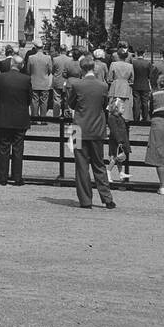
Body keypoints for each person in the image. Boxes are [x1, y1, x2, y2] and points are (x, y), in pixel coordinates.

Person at [64, 56, 116, 210]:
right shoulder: (103, 86)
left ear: (81, 68)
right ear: (94, 68)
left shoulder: (77, 85)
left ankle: (85, 200)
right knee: (99, 164)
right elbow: (104, 105)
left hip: (77, 129)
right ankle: (107, 199)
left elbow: (71, 103)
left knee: (81, 166)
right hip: (97, 128)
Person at [0, 55, 31, 186]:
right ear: (21, 66)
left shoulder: (0, 77)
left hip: (4, 116)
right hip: (20, 117)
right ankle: (17, 177)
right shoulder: (26, 79)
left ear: (11, 64)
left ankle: (2, 176)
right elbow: (29, 99)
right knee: (18, 148)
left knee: (3, 148)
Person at [27, 43, 54, 121]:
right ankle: (43, 119)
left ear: (35, 48)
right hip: (44, 81)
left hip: (34, 81)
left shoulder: (31, 58)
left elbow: (28, 71)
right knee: (44, 101)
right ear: (43, 48)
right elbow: (50, 70)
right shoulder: (48, 58)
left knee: (34, 101)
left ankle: (34, 118)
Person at [107, 49, 134, 124]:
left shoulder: (113, 64)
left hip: (115, 86)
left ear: (118, 56)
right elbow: (132, 79)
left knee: (113, 106)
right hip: (125, 87)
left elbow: (109, 78)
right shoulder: (130, 66)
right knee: (125, 107)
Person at [131, 48, 152, 124]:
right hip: (145, 84)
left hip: (135, 84)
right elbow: (150, 75)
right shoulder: (148, 63)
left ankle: (136, 118)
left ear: (136, 53)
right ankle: (145, 117)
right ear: (144, 54)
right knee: (145, 102)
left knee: (136, 102)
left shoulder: (133, 63)